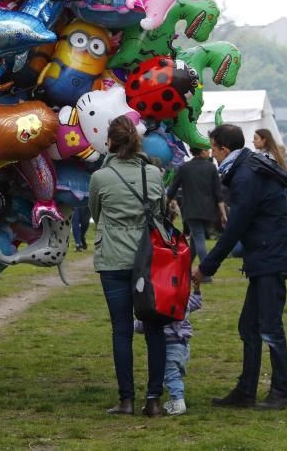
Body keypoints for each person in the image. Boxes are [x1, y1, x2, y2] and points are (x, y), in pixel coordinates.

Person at [193, 124, 287, 410]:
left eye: (213, 148)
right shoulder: (249, 167)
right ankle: (246, 390)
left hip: (269, 256)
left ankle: (279, 392)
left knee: (269, 328)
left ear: (224, 149)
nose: (211, 154)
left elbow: (236, 227)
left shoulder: (245, 175)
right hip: (268, 253)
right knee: (250, 326)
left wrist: (206, 267)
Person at [89, 116, 167, 417]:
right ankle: (154, 399)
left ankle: (126, 399)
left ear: (109, 142)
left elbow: (95, 211)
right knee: (154, 329)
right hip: (148, 261)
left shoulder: (100, 177)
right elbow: (160, 212)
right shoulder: (153, 174)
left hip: (113, 259)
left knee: (121, 331)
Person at [166, 147, 225, 275]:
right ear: (201, 151)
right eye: (207, 149)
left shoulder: (184, 168)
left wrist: (165, 204)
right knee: (195, 239)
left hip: (191, 210)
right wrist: (223, 213)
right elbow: (218, 192)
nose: (209, 151)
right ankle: (184, 268)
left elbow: (172, 189)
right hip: (209, 211)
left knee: (198, 238)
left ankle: (205, 273)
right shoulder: (211, 167)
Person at [160, 288, 203, 416]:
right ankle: (163, 391)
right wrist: (196, 290)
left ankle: (178, 401)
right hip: (183, 346)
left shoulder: (159, 302)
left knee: (171, 375)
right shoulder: (183, 299)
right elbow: (196, 303)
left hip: (169, 345)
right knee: (175, 372)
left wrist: (133, 324)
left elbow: (141, 325)